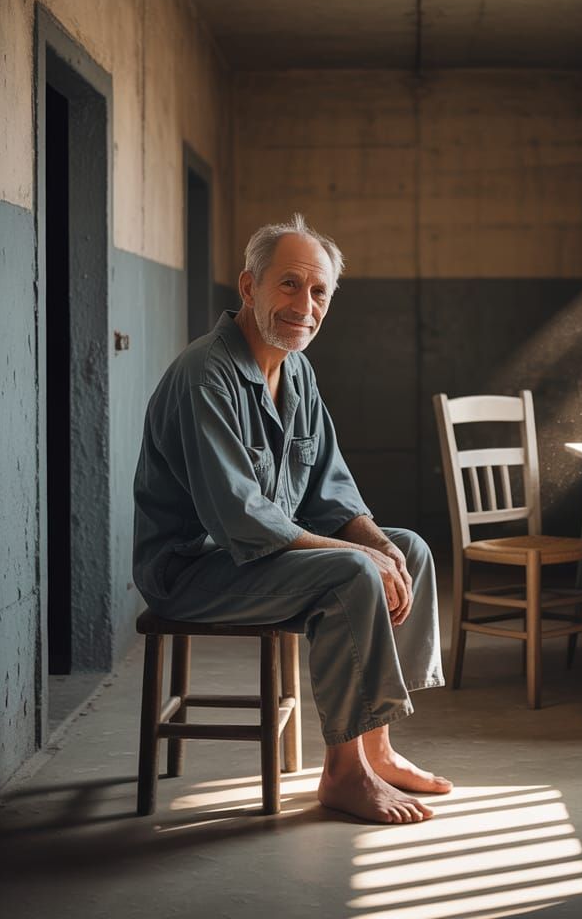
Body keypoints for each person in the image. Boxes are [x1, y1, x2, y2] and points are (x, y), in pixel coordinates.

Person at [132, 214, 450, 824]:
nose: (305, 304)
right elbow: (241, 519)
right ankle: (343, 773)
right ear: (249, 288)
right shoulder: (208, 373)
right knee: (352, 574)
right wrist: (356, 557)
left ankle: (378, 747)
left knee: (407, 550)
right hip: (196, 570)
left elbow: (333, 491)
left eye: (319, 291)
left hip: (262, 562)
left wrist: (378, 543)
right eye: (288, 285)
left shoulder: (297, 372)